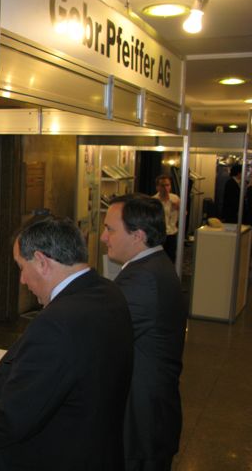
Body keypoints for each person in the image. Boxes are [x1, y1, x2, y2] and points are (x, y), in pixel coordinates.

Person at [0, 215, 133, 471]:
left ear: (42, 262)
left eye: (21, 267)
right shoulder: (109, 292)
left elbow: (5, 424)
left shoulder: (57, 323)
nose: (22, 280)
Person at [101, 194, 187, 471]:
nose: (103, 237)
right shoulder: (152, 267)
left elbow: (98, 337)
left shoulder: (144, 279)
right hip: (148, 420)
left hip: (140, 425)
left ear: (138, 235)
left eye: (110, 229)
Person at [152, 174, 180, 262]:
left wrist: (179, 208)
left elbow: (184, 215)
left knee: (171, 259)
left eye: (167, 185)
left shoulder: (175, 198)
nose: (165, 188)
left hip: (172, 233)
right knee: (158, 259)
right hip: (159, 235)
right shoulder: (153, 201)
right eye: (163, 185)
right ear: (157, 187)